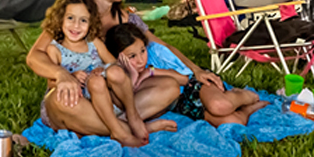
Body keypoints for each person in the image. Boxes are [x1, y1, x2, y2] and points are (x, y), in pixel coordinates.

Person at [25, 0, 226, 147]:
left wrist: (196, 70)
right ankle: (138, 127)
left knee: (170, 87)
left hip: (116, 99)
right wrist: (62, 75)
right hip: (79, 99)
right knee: (60, 102)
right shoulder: (74, 16)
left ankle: (105, 126)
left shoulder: (125, 18)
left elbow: (162, 45)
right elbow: (34, 56)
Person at [37, 0, 162, 147]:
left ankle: (132, 115)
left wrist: (103, 69)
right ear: (60, 19)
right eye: (70, 18)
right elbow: (51, 83)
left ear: (91, 23)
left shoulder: (94, 43)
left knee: (110, 75)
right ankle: (121, 131)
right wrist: (72, 77)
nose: (76, 25)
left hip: (103, 97)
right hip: (80, 101)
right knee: (93, 83)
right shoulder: (55, 50)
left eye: (83, 20)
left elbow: (114, 64)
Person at [103, 23, 267, 127]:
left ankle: (243, 95)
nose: (140, 60)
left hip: (194, 84)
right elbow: (134, 102)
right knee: (233, 122)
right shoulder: (119, 74)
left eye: (142, 51)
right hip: (182, 103)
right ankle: (248, 109)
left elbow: (184, 79)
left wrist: (151, 72)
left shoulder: (156, 54)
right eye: (132, 57)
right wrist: (132, 76)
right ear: (119, 58)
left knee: (219, 106)